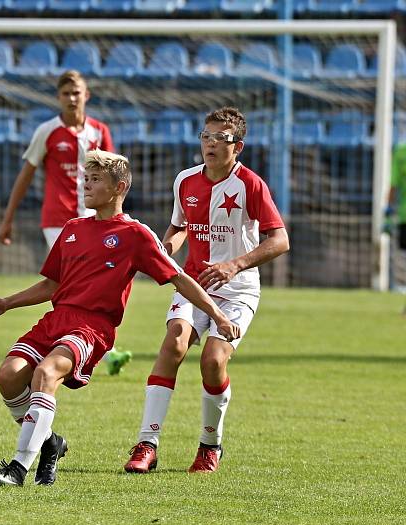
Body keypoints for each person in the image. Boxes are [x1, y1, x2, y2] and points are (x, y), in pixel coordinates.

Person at [0, 149, 241, 487]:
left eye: (95, 180)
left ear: (118, 188)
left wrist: (218, 315)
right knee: (8, 376)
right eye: (84, 179)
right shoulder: (73, 228)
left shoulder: (135, 235)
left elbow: (178, 277)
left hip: (92, 327)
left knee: (46, 373)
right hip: (56, 318)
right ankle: (49, 444)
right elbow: (52, 283)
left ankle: (17, 469)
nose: (85, 186)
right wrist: (8, 303)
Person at [123, 106, 290, 475]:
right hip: (194, 282)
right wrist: (167, 248)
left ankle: (210, 446)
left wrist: (235, 264)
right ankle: (146, 444)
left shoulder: (251, 185)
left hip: (238, 289)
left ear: (238, 146)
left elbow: (280, 240)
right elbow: (178, 227)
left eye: (220, 138)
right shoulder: (185, 180)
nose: (211, 144)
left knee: (213, 362)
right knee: (174, 344)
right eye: (206, 136)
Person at [0, 69, 132, 376]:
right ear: (59, 98)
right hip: (59, 220)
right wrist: (8, 219)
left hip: (95, 219)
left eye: (77, 93)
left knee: (94, 284)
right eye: (66, 94)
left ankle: (91, 346)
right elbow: (25, 176)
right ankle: (80, 349)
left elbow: (115, 176)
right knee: (69, 283)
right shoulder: (47, 131)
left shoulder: (99, 131)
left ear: (87, 96)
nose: (72, 99)